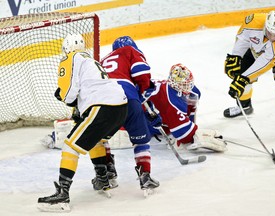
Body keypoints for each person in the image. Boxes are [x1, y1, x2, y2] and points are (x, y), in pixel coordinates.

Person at [37, 33, 128, 212]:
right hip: (120, 106)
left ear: (66, 49)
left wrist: (63, 96)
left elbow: (69, 91)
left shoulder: (70, 58)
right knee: (96, 139)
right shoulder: (91, 61)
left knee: (70, 146)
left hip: (103, 105)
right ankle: (103, 179)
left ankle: (62, 194)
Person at [100, 36, 160, 192]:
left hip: (102, 101)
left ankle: (108, 172)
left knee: (101, 139)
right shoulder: (130, 51)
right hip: (127, 98)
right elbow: (142, 72)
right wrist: (143, 91)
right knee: (140, 141)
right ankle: (145, 176)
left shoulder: (101, 61)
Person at [145, 63, 227, 152]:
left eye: (189, 84)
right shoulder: (172, 101)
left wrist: (191, 127)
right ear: (173, 83)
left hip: (153, 104)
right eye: (183, 85)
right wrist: (195, 135)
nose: (187, 87)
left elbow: (190, 113)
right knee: (145, 129)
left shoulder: (192, 92)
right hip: (136, 112)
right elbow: (184, 136)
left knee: (172, 124)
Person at [224, 10, 275, 118]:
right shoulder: (253, 21)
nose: (272, 37)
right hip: (253, 51)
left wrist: (245, 78)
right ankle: (245, 107)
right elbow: (243, 38)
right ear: (265, 26)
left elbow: (264, 62)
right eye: (269, 33)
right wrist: (235, 56)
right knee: (241, 81)